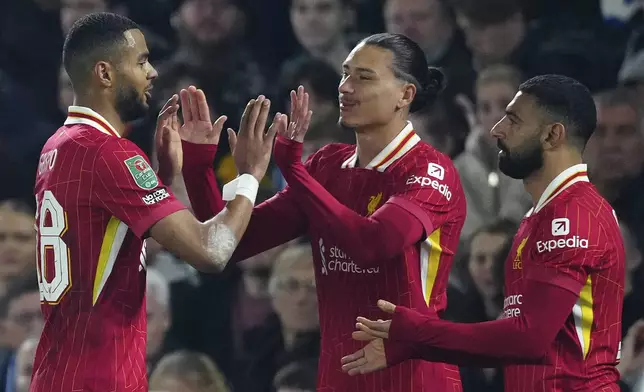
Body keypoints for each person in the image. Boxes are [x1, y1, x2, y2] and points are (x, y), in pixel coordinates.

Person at [177, 33, 467, 390]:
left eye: (364, 77)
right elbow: (231, 243)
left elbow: (374, 243)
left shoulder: (429, 169)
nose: (345, 87)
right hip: (337, 374)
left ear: (405, 95)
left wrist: (295, 173)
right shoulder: (327, 165)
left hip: (411, 377)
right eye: (345, 74)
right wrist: (199, 166)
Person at [31, 12, 277, 392]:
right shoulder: (108, 153)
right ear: (105, 73)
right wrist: (248, 176)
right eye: (142, 61)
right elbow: (212, 252)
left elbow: (108, 248)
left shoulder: (58, 146)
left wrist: (163, 178)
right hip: (101, 380)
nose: (153, 73)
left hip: (60, 373)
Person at [341, 75, 626, 391]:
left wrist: (419, 333)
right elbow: (515, 336)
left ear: (552, 136)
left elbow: (529, 338)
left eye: (513, 120)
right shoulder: (540, 215)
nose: (496, 129)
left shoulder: (574, 215)